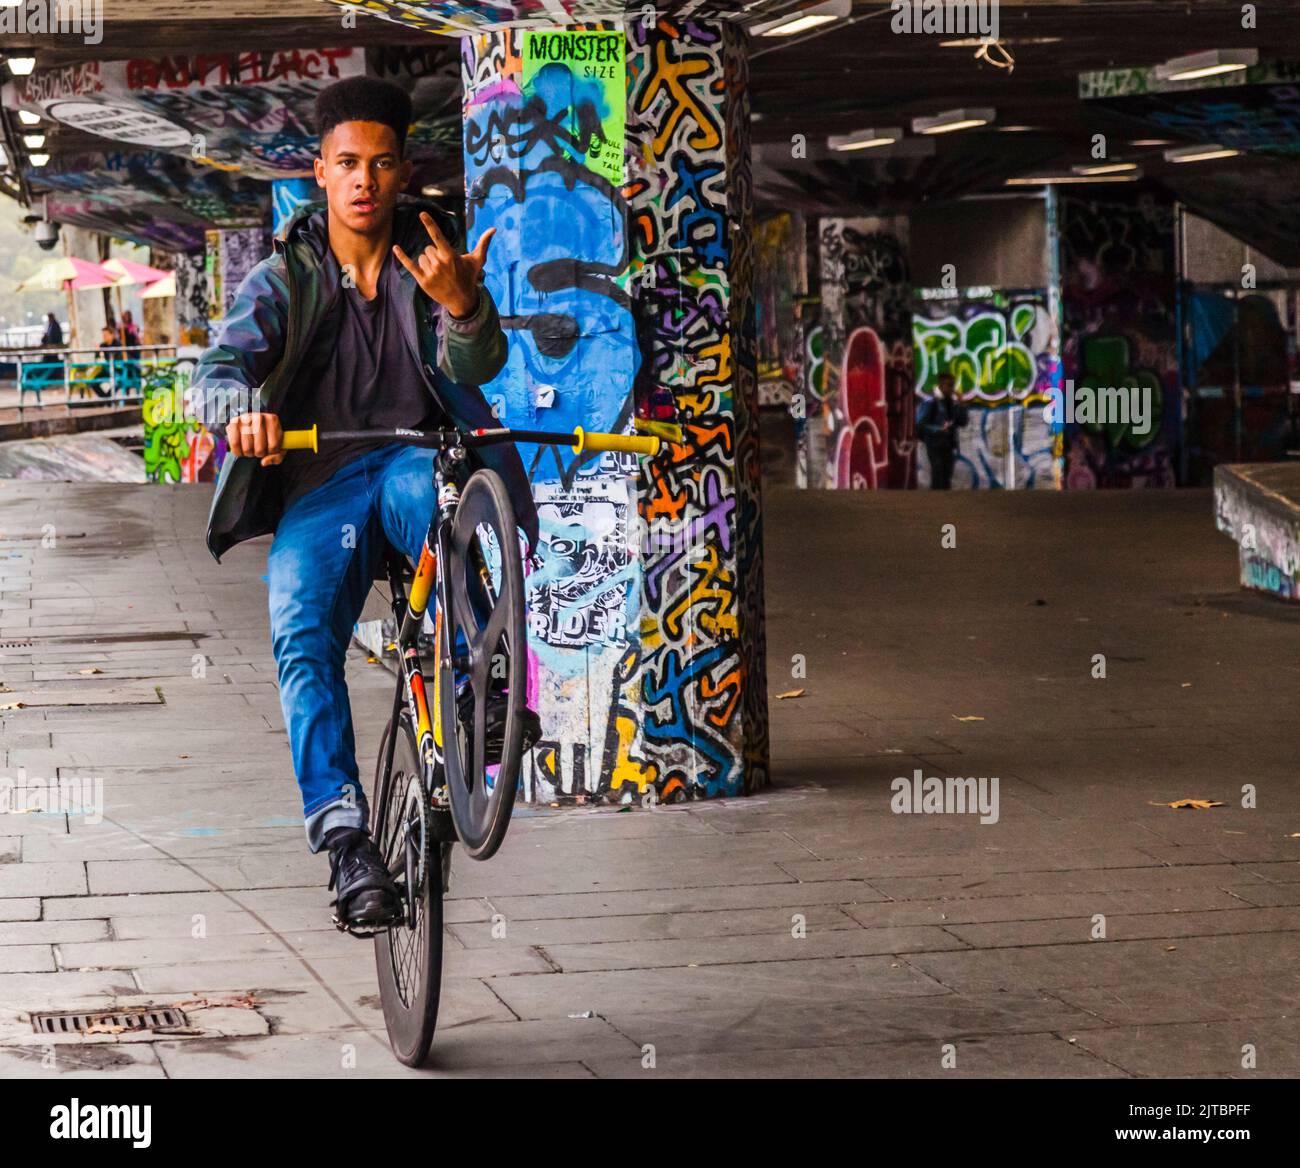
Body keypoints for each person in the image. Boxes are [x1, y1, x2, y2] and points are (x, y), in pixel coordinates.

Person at [189, 77, 540, 931]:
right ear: (320, 172)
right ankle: (346, 840)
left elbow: (476, 365)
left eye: (382, 163)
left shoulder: (432, 260)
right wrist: (244, 415)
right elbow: (214, 376)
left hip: (415, 463)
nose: (365, 180)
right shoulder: (284, 278)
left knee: (439, 494)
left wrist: (463, 306)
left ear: (403, 169)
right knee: (299, 627)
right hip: (323, 485)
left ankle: (481, 689)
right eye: (347, 162)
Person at [917, 371, 969, 489]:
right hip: (934, 444)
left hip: (949, 444)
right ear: (941, 385)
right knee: (938, 475)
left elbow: (963, 422)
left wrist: (961, 404)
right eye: (949, 385)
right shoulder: (931, 402)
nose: (952, 389)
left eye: (953, 385)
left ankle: (945, 504)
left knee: (947, 477)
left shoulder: (951, 402)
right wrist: (939, 430)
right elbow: (921, 425)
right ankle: (936, 504)